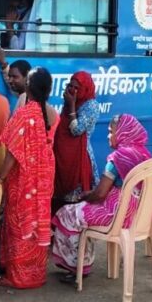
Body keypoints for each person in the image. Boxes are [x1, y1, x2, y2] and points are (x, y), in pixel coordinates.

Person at [52, 114, 152, 283]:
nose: (108, 136)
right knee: (79, 211)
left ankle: (76, 267)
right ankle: (80, 263)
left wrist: (86, 196)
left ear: (123, 132)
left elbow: (100, 194)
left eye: (111, 132)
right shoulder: (144, 154)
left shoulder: (118, 158)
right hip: (138, 214)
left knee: (67, 213)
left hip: (116, 214)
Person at [0, 67, 59, 289]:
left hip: (24, 179)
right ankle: (36, 274)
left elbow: (12, 152)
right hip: (44, 177)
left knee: (20, 222)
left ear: (29, 88)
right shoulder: (52, 114)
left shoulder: (23, 114)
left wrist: (0, 176)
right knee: (38, 221)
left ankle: (18, 277)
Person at [53, 71, 100, 210]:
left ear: (85, 88)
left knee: (75, 203)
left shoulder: (91, 105)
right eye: (70, 86)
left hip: (79, 158)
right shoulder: (70, 101)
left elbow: (76, 130)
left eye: (77, 88)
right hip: (64, 156)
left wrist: (72, 106)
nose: (73, 90)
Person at [0, 47, 31, 111]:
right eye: (9, 77)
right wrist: (3, 64)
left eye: (15, 77)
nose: (10, 80)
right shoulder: (24, 95)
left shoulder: (27, 99)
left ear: (27, 76)